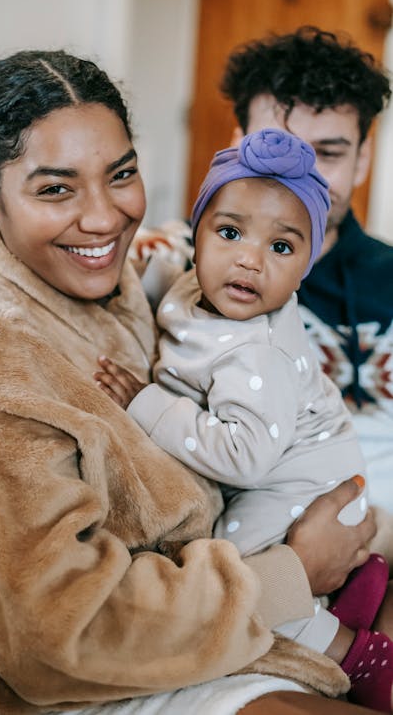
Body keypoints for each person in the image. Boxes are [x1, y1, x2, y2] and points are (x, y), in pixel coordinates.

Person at [0, 49, 381, 715]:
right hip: (118, 678)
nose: (103, 219)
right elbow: (57, 636)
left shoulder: (123, 282)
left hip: (242, 598)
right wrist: (290, 575)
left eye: (120, 175)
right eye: (56, 188)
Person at [95, 127, 393, 711]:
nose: (249, 260)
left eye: (281, 248)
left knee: (244, 578)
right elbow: (168, 296)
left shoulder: (257, 354)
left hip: (296, 479)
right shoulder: (193, 287)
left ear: (306, 265)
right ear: (196, 235)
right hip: (298, 466)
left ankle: (353, 654)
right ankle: (358, 589)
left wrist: (146, 404)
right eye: (229, 232)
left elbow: (245, 458)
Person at [220, 26, 393, 512]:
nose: (304, 175)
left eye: (330, 153)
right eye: (278, 146)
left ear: (363, 161)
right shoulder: (184, 276)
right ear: (237, 147)